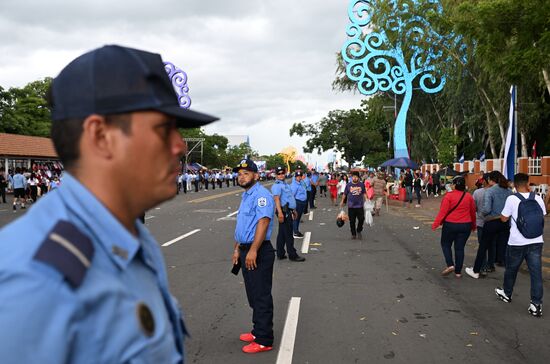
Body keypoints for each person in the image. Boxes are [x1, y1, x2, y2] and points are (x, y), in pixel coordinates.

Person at [0, 45, 218, 363]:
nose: (180, 146)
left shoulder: (133, 239)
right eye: (163, 129)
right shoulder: (34, 283)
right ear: (100, 136)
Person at [231, 159, 276, 353]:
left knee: (261, 295)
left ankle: (264, 340)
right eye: (239, 174)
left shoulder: (261, 195)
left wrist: (253, 250)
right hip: (246, 249)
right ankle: (258, 331)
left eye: (246, 173)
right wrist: (237, 249)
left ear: (256, 175)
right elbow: (243, 226)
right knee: (252, 294)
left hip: (258, 250)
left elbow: (263, 222)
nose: (241, 176)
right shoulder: (246, 196)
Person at [495, 173, 546, 317]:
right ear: (528, 183)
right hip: (536, 240)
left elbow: (504, 219)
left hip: (517, 242)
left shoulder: (512, 199)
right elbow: (541, 216)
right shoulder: (537, 198)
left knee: (511, 269)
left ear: (514, 185)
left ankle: (507, 293)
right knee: (536, 273)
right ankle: (536, 305)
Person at [466, 171, 511, 279]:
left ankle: (476, 270)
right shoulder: (509, 191)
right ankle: (509, 273)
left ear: (491, 180)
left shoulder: (490, 191)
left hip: (491, 222)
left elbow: (486, 209)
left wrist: (481, 214)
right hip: (505, 223)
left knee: (483, 246)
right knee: (503, 248)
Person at [432, 176, 476, 278]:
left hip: (450, 225)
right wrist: (473, 225)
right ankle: (458, 272)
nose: (451, 185)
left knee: (445, 244)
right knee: (460, 248)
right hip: (466, 225)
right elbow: (473, 212)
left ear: (455, 185)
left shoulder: (448, 196)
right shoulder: (469, 196)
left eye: (452, 183)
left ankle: (450, 264)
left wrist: (436, 224)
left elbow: (443, 212)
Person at [271, 166, 305, 262]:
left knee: (282, 233)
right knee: (289, 234)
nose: (281, 175)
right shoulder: (277, 186)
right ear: (276, 175)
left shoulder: (285, 184)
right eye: (279, 173)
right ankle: (292, 254)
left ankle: (280, 253)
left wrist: (294, 210)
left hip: (288, 210)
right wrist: (280, 213)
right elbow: (276, 199)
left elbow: (289, 198)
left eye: (282, 173)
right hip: (283, 211)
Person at [340, 171, 367, 239]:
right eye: (353, 177)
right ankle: (353, 233)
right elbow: (345, 194)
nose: (354, 178)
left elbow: (364, 193)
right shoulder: (348, 185)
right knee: (352, 221)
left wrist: (367, 200)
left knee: (361, 219)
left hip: (360, 205)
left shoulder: (361, 184)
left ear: (358, 177)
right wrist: (342, 201)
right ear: (351, 177)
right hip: (351, 206)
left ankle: (359, 230)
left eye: (356, 177)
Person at [472, 173, 490, 274]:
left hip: (481, 222)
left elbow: (474, 208)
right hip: (495, 222)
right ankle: (490, 264)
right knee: (492, 245)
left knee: (482, 245)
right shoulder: (502, 191)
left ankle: (483, 267)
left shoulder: (477, 193)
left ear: (484, 181)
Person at [290, 171, 308, 238]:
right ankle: (295, 232)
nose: (299, 178)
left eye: (300, 176)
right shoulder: (294, 185)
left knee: (298, 217)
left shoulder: (300, 183)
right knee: (296, 218)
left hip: (302, 202)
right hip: (297, 202)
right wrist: (293, 206)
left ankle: (296, 230)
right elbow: (292, 195)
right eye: (297, 176)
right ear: (295, 177)